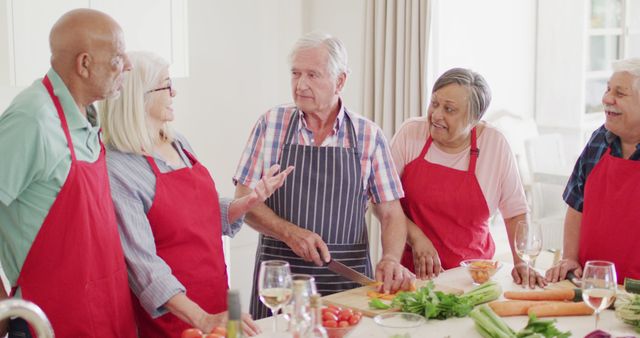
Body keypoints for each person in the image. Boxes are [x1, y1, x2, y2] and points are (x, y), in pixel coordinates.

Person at [99, 51, 290, 338]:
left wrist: (247, 202)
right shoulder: (118, 169)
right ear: (139, 97)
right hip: (176, 316)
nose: (174, 91)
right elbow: (142, 267)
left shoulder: (178, 144)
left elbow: (202, 215)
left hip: (216, 301)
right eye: (166, 85)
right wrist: (201, 318)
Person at [234, 32, 414, 319]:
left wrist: (391, 257)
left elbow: (391, 213)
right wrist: (289, 233)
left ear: (340, 81)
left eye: (312, 75)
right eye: (295, 73)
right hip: (280, 284)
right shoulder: (271, 124)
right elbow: (244, 201)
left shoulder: (368, 135)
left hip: (347, 288)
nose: (300, 84)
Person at [0, 9, 136, 337]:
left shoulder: (87, 114)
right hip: (47, 322)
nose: (128, 66)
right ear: (84, 64)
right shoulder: (32, 119)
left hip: (105, 311)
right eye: (118, 57)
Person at [390, 68, 544, 288]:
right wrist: (416, 237)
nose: (436, 115)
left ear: (475, 119)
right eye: (434, 104)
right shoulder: (410, 133)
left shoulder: (494, 144)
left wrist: (523, 262)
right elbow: (384, 200)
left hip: (473, 277)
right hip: (412, 275)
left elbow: (515, 212)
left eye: (449, 109)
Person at [546, 58, 640, 283]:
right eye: (608, 89)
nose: (607, 99)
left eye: (620, 93)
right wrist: (569, 258)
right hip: (589, 285)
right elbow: (576, 204)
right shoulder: (599, 140)